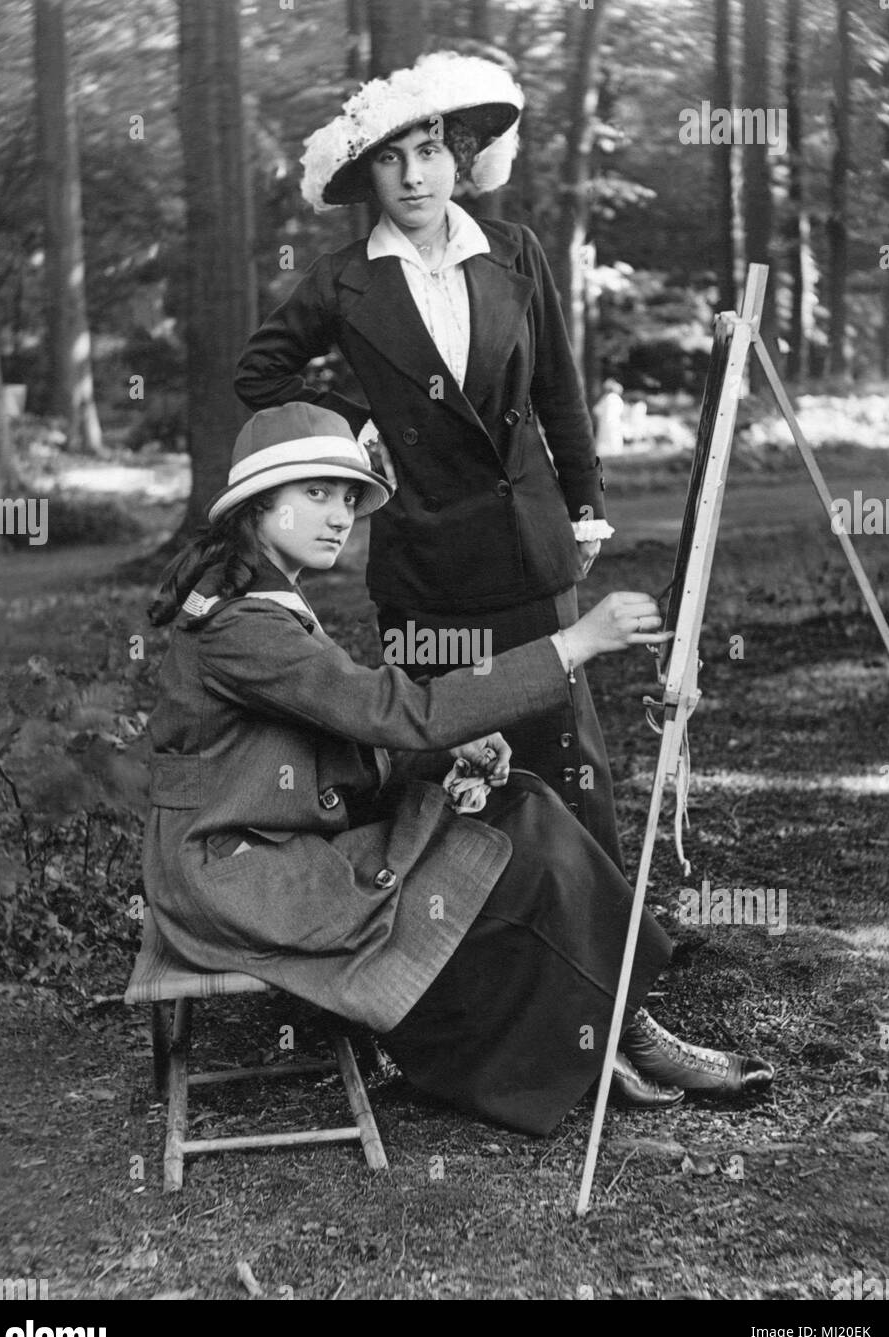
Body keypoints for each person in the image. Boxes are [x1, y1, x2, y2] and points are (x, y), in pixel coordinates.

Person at [143, 403, 774, 1137]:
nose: (339, 515)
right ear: (259, 504)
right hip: (232, 871)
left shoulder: (262, 592)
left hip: (270, 841)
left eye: (349, 497)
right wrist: (571, 644)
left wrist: (450, 750)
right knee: (503, 844)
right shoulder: (241, 621)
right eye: (315, 494)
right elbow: (383, 710)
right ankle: (592, 1041)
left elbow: (329, 729)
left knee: (522, 806)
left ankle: (618, 1029)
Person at [233, 52, 624, 862]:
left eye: (431, 152)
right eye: (390, 158)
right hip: (427, 562)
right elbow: (258, 373)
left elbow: (559, 389)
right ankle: (450, 960)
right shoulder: (343, 280)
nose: (414, 177)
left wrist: (585, 509)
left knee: (562, 756)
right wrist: (359, 432)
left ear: (461, 161)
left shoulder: (516, 251)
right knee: (444, 757)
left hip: (530, 546)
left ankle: (607, 954)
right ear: (368, 177)